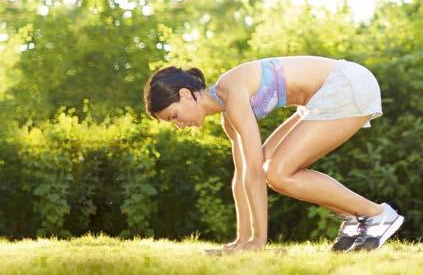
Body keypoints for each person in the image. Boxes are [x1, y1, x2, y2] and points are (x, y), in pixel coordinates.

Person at [143, 55, 404, 253]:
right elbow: (242, 175)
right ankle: (354, 218)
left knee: (277, 173)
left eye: (174, 116)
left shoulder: (231, 92)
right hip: (319, 98)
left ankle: (376, 215)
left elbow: (254, 172)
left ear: (186, 95)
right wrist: (241, 241)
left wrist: (258, 241)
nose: (179, 125)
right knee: (268, 164)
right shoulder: (227, 113)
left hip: (345, 84)